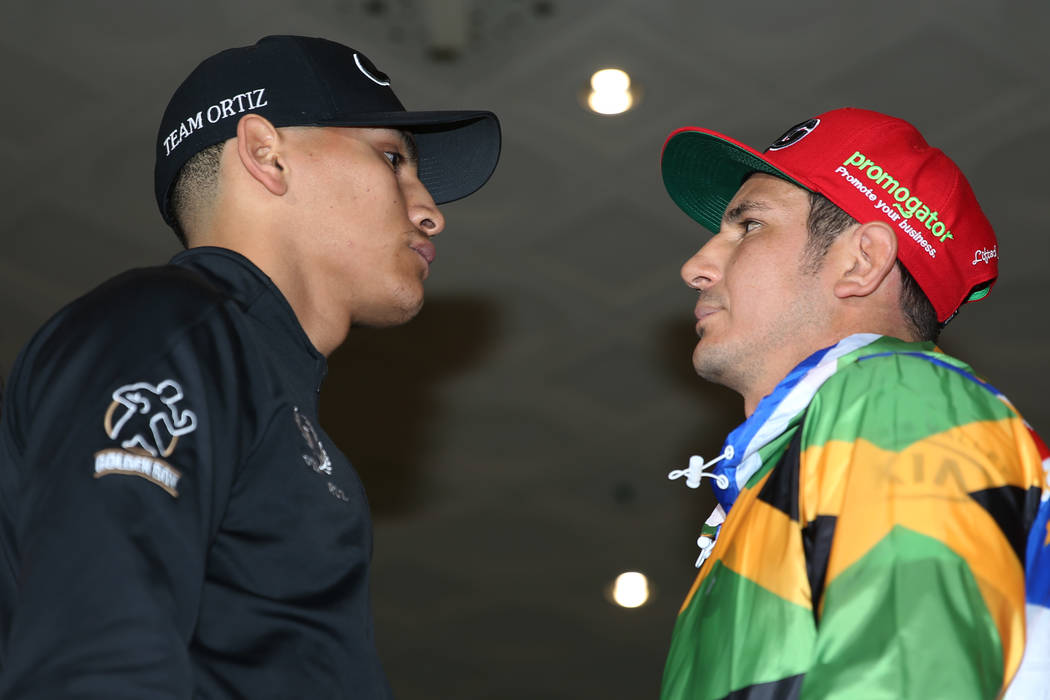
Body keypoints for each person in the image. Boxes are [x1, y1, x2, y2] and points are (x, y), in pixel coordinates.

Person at [0, 35, 500, 697]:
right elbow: (97, 656)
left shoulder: (257, 384)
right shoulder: (166, 330)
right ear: (266, 154)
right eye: (391, 159)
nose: (429, 210)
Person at [659, 108, 1049, 699]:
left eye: (749, 227)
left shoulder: (899, 401)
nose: (696, 266)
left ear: (861, 260)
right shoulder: (797, 466)